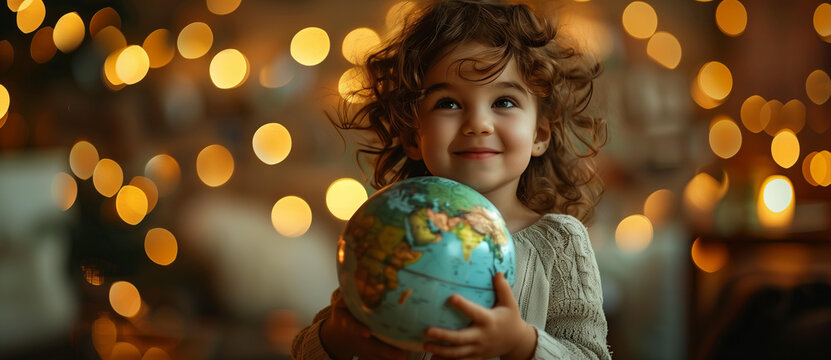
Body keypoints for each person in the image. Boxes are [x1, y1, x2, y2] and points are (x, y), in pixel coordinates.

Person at [293, 0, 610, 358]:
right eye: (449, 103)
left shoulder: (560, 243)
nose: (478, 123)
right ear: (415, 136)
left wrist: (522, 343)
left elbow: (590, 354)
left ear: (538, 135)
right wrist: (336, 337)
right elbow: (307, 348)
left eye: (504, 102)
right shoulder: (388, 229)